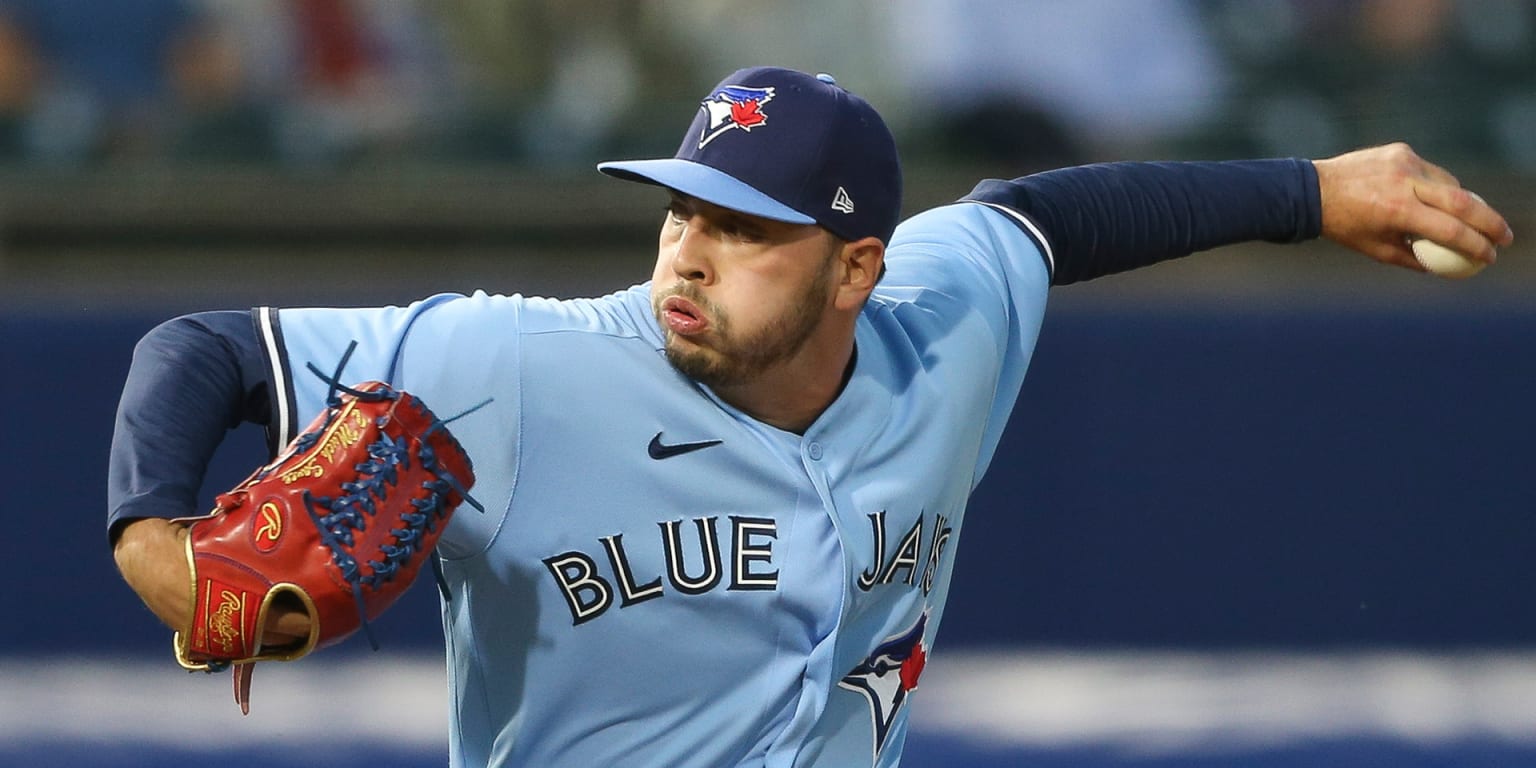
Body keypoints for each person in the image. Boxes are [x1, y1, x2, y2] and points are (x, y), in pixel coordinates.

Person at [108, 66, 1512, 767]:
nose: (689, 254)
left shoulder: (945, 323)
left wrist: (1315, 192)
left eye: (748, 230)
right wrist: (158, 549)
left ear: (857, 270)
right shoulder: (516, 367)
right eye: (682, 210)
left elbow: (1047, 219)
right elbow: (205, 350)